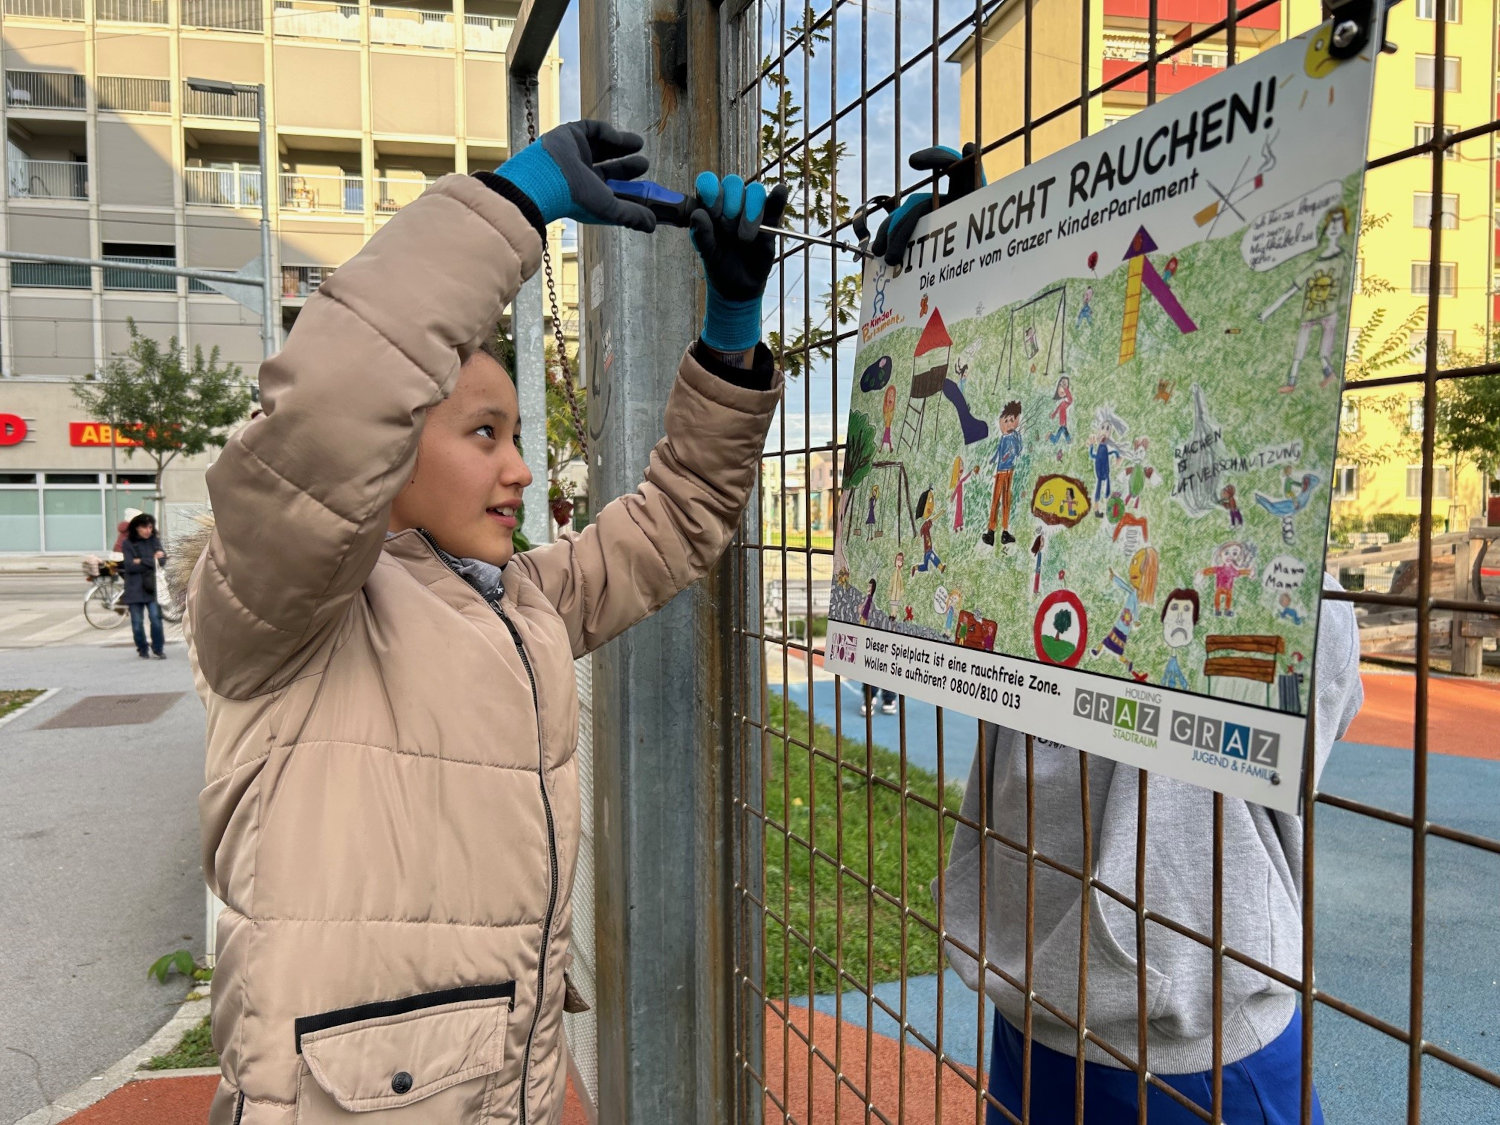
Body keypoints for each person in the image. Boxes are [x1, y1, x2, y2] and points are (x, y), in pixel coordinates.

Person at [171, 120, 786, 1125]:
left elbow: (676, 522)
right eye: (483, 434)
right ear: (389, 451)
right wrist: (513, 207)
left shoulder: (522, 604)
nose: (520, 467)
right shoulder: (279, 615)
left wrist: (730, 332)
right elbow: (328, 410)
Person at [940, 581, 1363, 1125]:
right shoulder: (1301, 579)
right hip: (1186, 1020)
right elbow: (1331, 694)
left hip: (1044, 986)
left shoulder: (1034, 563)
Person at [120, 511, 165, 659]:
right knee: (137, 623)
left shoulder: (155, 541)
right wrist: (151, 560)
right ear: (136, 528)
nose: (148, 531)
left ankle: (158, 648)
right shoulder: (128, 543)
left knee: (156, 620)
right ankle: (142, 648)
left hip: (152, 588)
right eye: (144, 527)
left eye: (150, 527)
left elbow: (162, 562)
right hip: (134, 589)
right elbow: (130, 566)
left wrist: (141, 560)